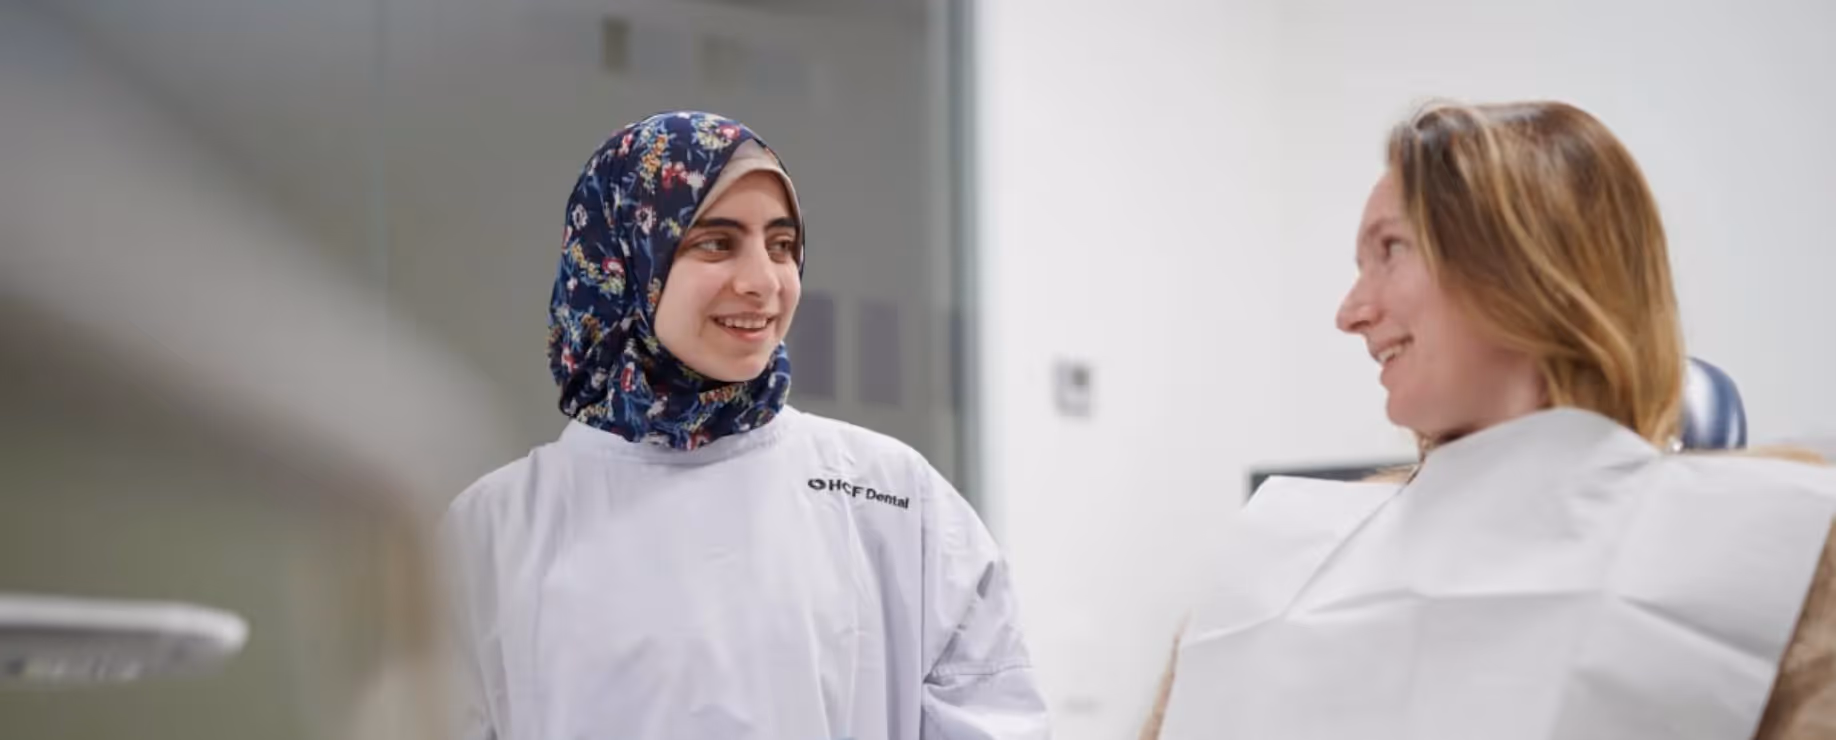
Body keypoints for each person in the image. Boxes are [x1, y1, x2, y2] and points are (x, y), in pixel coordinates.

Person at [1140, 100, 1836, 740]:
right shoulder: (1281, 554)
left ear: (1532, 267)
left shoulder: (1786, 551)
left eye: (1391, 250)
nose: (1350, 313)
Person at [442, 110, 1049, 740]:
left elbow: (993, 714)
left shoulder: (893, 496)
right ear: (624, 259)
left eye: (781, 245)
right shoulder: (494, 531)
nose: (764, 282)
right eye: (715, 242)